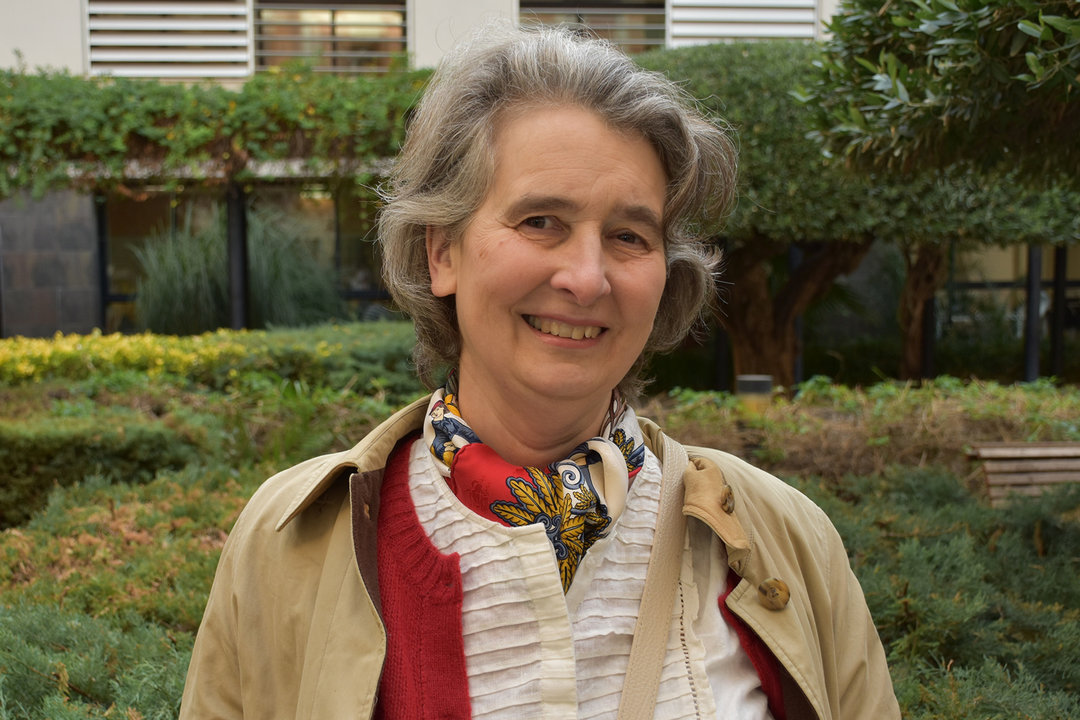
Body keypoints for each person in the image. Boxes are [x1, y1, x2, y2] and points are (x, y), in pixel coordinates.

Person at [179, 23, 901, 720]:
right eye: (540, 222)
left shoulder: (785, 541)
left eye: (629, 235)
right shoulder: (287, 542)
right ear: (442, 252)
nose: (587, 278)